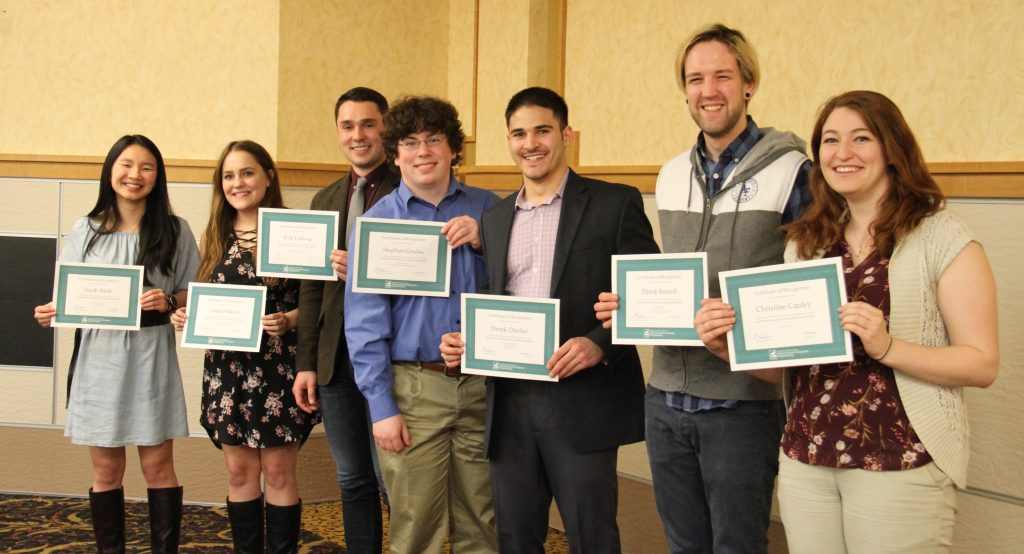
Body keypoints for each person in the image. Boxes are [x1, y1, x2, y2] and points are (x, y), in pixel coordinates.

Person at [697, 90, 999, 553]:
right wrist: (728, 349)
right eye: (830, 141)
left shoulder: (943, 237)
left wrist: (888, 347)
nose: (843, 153)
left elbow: (981, 364)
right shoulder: (807, 243)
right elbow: (788, 366)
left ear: (892, 148)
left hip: (899, 461)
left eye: (861, 138)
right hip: (806, 456)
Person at [594, 24, 811, 553]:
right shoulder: (670, 175)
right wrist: (634, 305)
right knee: (684, 546)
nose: (707, 90)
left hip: (743, 404)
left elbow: (805, 294)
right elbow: (670, 276)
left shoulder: (793, 171)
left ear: (748, 84)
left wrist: (739, 333)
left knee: (737, 546)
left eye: (721, 76)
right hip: (666, 397)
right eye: (695, 79)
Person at [439, 87, 660, 553]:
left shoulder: (614, 204)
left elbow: (647, 297)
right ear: (509, 141)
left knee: (591, 535)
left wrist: (600, 341)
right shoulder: (496, 218)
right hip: (512, 404)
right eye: (519, 133)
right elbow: (498, 302)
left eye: (542, 130)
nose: (530, 143)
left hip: (584, 401)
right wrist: (468, 344)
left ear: (567, 134)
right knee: (516, 538)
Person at [344, 96, 500, 553]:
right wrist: (381, 407)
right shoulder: (377, 222)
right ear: (395, 155)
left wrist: (487, 241)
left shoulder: (494, 211)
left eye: (435, 139)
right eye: (410, 142)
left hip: (485, 386)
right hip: (412, 391)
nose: (423, 151)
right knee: (415, 530)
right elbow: (364, 324)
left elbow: (521, 291)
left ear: (454, 148)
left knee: (483, 523)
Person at [33, 135, 199, 553]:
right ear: (111, 170)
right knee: (106, 471)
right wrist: (52, 309)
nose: (135, 175)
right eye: (126, 164)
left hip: (151, 355)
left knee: (158, 466)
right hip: (99, 359)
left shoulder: (176, 230)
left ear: (158, 176)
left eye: (147, 167)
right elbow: (71, 294)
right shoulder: (84, 230)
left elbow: (194, 293)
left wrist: (169, 299)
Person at [170, 141, 319, 553]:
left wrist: (289, 320)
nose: (238, 183)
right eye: (229, 176)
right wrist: (184, 315)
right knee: (238, 473)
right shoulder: (214, 233)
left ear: (268, 176)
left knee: (278, 472)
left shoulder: (294, 229)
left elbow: (319, 303)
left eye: (248, 172)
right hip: (226, 372)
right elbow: (197, 296)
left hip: (280, 369)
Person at [291, 86, 397, 554]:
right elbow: (311, 292)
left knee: (394, 479)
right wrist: (306, 363)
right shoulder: (325, 198)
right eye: (348, 126)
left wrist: (369, 266)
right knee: (353, 479)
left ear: (386, 128)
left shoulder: (408, 187)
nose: (358, 135)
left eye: (368, 124)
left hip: (391, 359)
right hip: (336, 364)